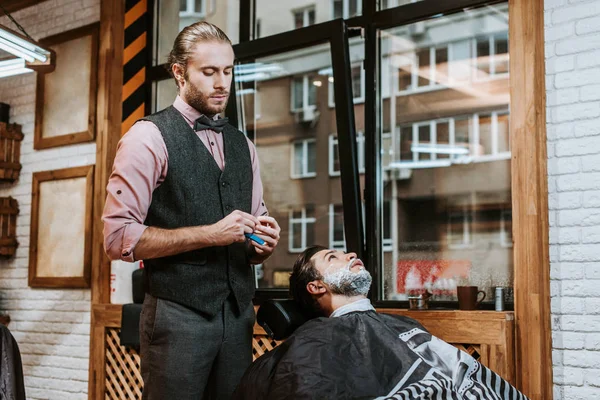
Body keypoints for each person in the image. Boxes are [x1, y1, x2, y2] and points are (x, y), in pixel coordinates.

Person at [102, 21, 280, 399]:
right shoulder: (147, 137)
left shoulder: (244, 146)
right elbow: (118, 238)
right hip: (176, 315)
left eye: (228, 71)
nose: (222, 83)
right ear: (179, 73)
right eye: (209, 72)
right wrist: (209, 234)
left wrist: (259, 246)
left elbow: (248, 234)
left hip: (237, 316)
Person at [234, 246, 527, 400]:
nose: (351, 255)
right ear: (316, 287)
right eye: (333, 257)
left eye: (346, 252)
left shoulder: (399, 324)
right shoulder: (315, 343)